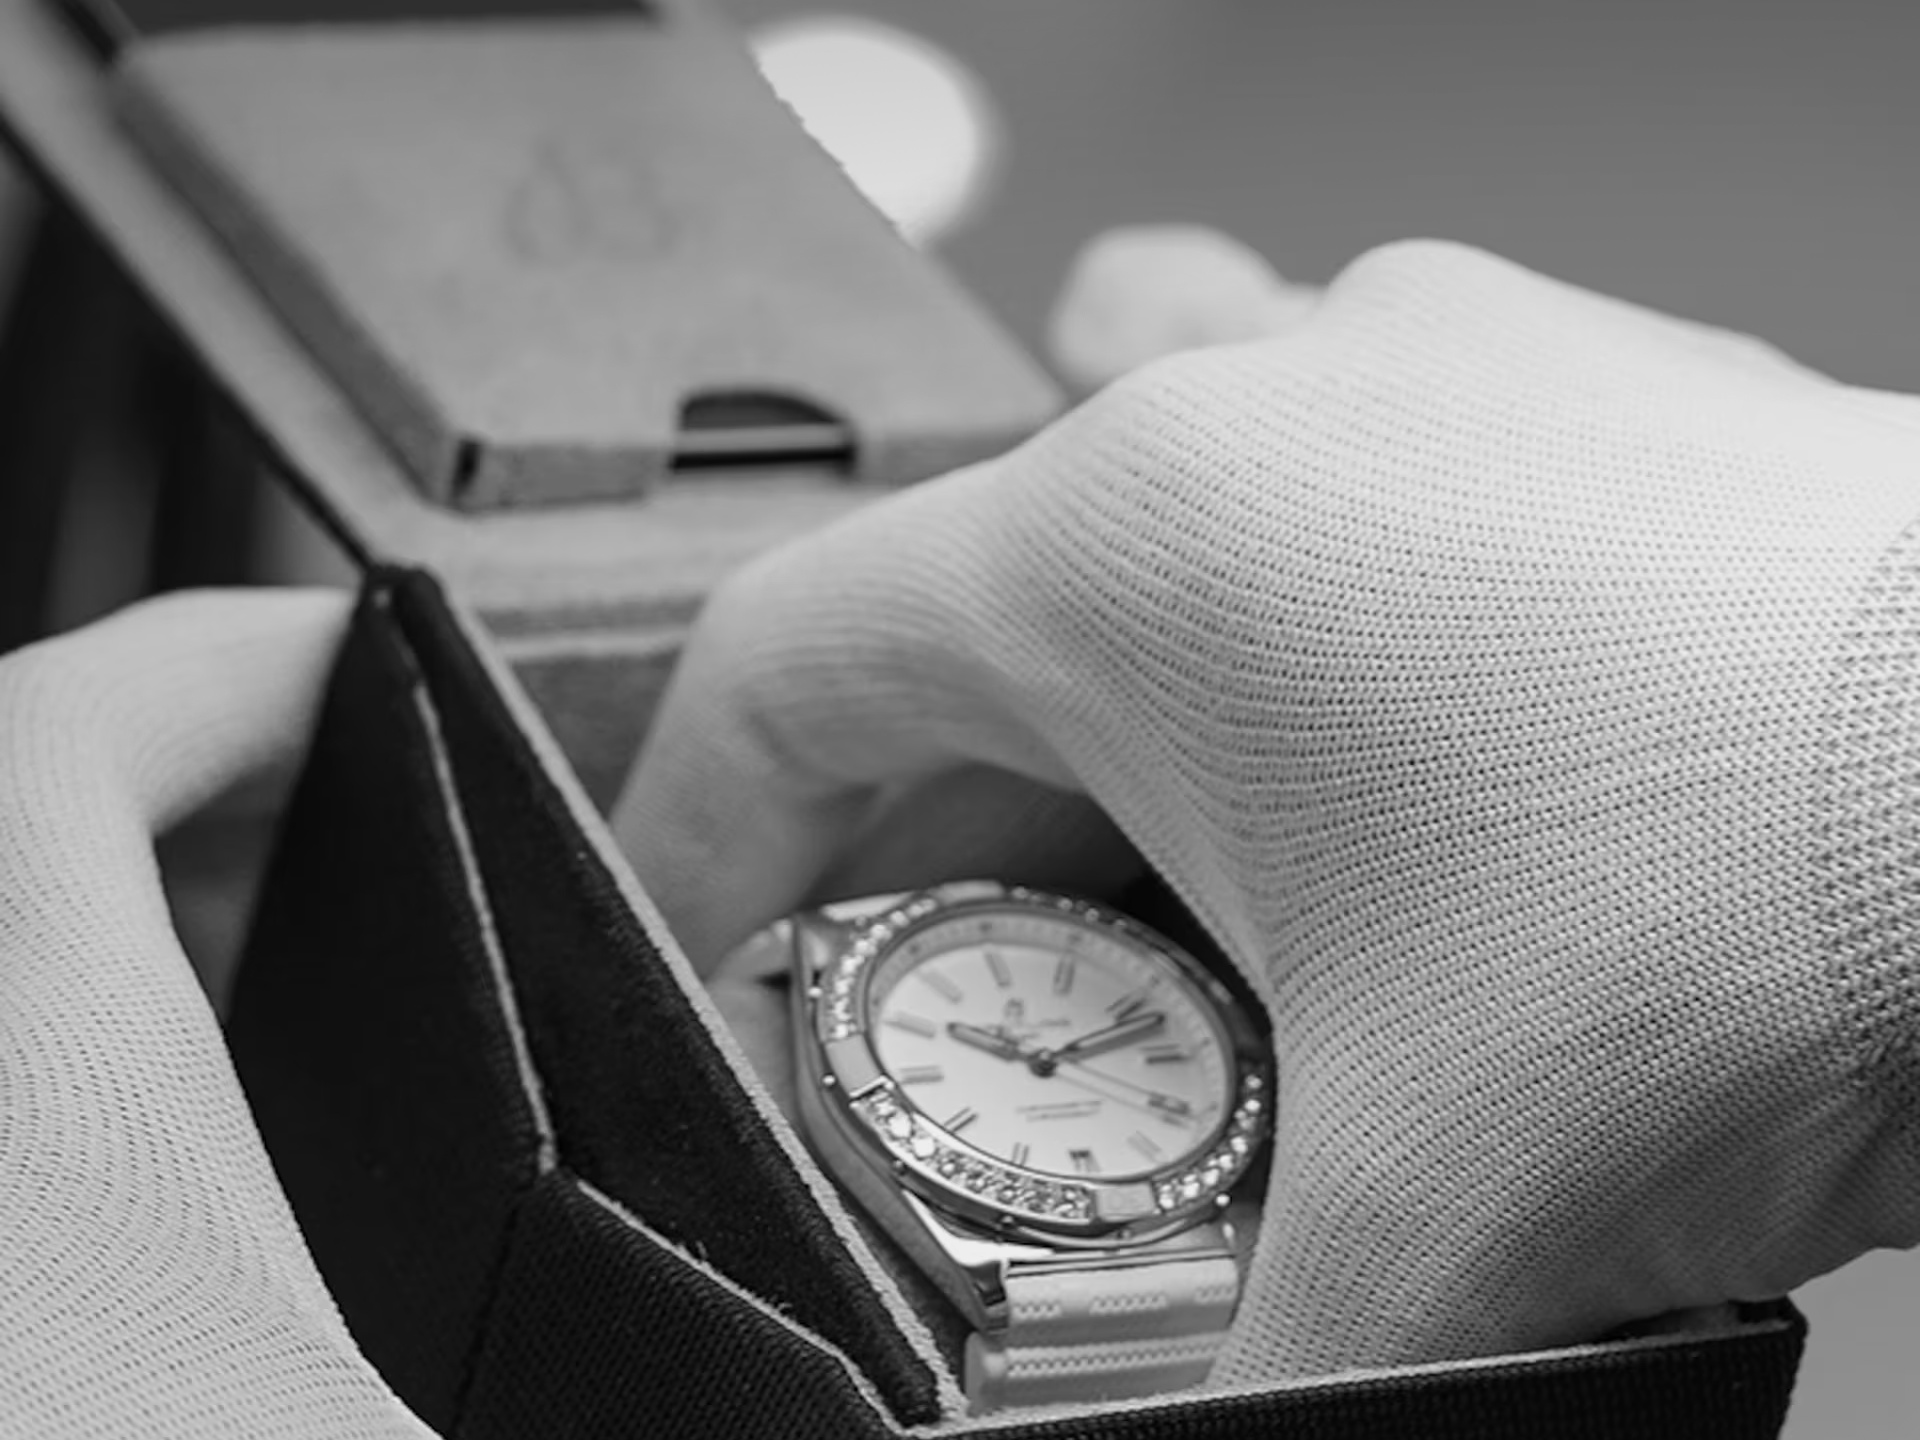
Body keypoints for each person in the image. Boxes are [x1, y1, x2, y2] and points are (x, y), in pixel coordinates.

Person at [4, 230, 1918, 1433]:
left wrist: (1864, 768)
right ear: (815, 1007)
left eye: (1040, 1041)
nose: (1042, 1041)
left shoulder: (1020, 1043)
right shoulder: (847, 990)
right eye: (1034, 1039)